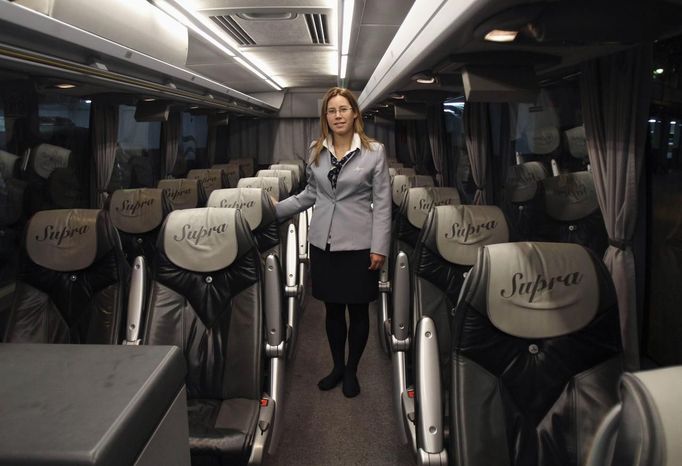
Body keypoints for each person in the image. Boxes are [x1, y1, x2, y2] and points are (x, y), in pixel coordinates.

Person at [275, 87, 391, 398]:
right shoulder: (316, 149)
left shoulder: (374, 151)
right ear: (325, 117)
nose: (337, 115)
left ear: (355, 113)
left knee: (359, 312)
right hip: (322, 244)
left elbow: (382, 203)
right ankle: (337, 366)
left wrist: (379, 247)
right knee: (333, 312)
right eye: (331, 111)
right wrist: (271, 210)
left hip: (359, 244)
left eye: (343, 109)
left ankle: (352, 369)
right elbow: (309, 195)